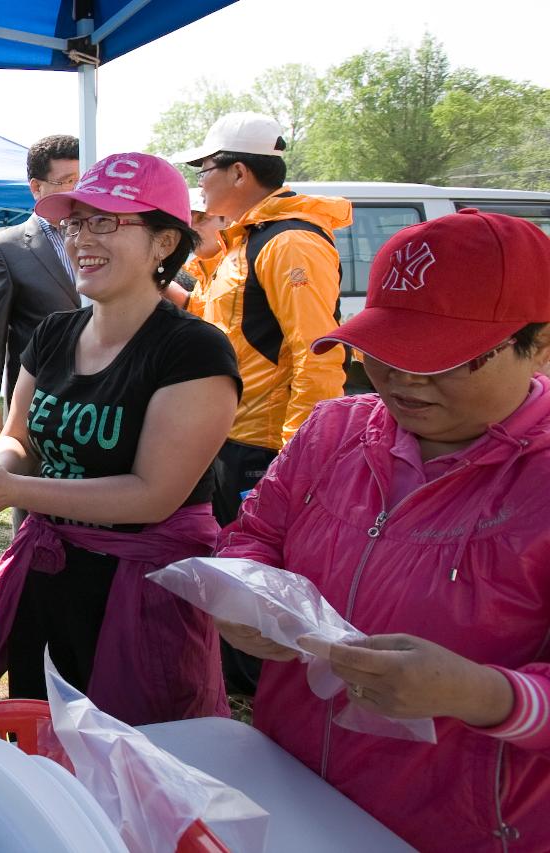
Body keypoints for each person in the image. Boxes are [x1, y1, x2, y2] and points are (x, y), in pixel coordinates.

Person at [215, 209, 550, 852]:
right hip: (292, 789)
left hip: (461, 826)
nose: (404, 378)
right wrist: (246, 594)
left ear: (537, 343)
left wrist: (483, 694)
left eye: (449, 359)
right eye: (388, 348)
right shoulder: (333, 431)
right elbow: (254, 534)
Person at [0, 153, 241, 725]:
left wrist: (9, 490)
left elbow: (153, 494)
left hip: (142, 592)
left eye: (105, 222)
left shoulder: (193, 351)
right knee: (39, 729)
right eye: (74, 223)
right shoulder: (53, 334)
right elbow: (21, 438)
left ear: (164, 242)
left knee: (129, 755)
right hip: (50, 573)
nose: (80, 240)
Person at [169, 112, 351, 528]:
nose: (198, 180)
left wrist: (300, 454)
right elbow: (220, 322)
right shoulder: (245, 240)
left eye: (204, 168)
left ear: (238, 172)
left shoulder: (290, 241)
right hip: (229, 435)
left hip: (264, 447)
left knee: (257, 571)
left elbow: (317, 351)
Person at [0, 134, 81, 447]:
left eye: (81, 179)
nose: (76, 190)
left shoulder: (100, 236)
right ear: (36, 187)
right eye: (66, 180)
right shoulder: (6, 247)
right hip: (39, 395)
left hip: (105, 391)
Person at [181, 188, 225, 289]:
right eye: (186, 222)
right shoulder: (183, 271)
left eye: (201, 219)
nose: (192, 229)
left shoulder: (245, 265)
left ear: (226, 219)